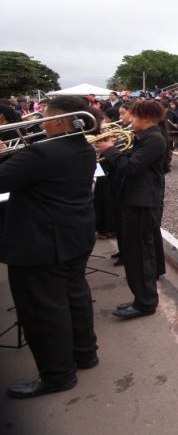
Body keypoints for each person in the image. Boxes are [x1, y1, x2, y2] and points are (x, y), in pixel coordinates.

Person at [0, 96, 98, 398]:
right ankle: (85, 353)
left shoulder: (42, 152)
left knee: (43, 310)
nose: (39, 121)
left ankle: (57, 375)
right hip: (74, 235)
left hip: (41, 242)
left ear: (58, 121)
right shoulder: (84, 147)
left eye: (44, 116)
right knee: (74, 294)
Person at [97, 100, 169, 319]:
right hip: (135, 200)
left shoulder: (154, 139)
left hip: (143, 203)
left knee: (140, 255)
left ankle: (145, 303)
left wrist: (110, 150)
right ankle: (141, 298)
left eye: (133, 116)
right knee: (134, 253)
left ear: (146, 118)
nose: (129, 120)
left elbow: (132, 167)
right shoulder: (144, 137)